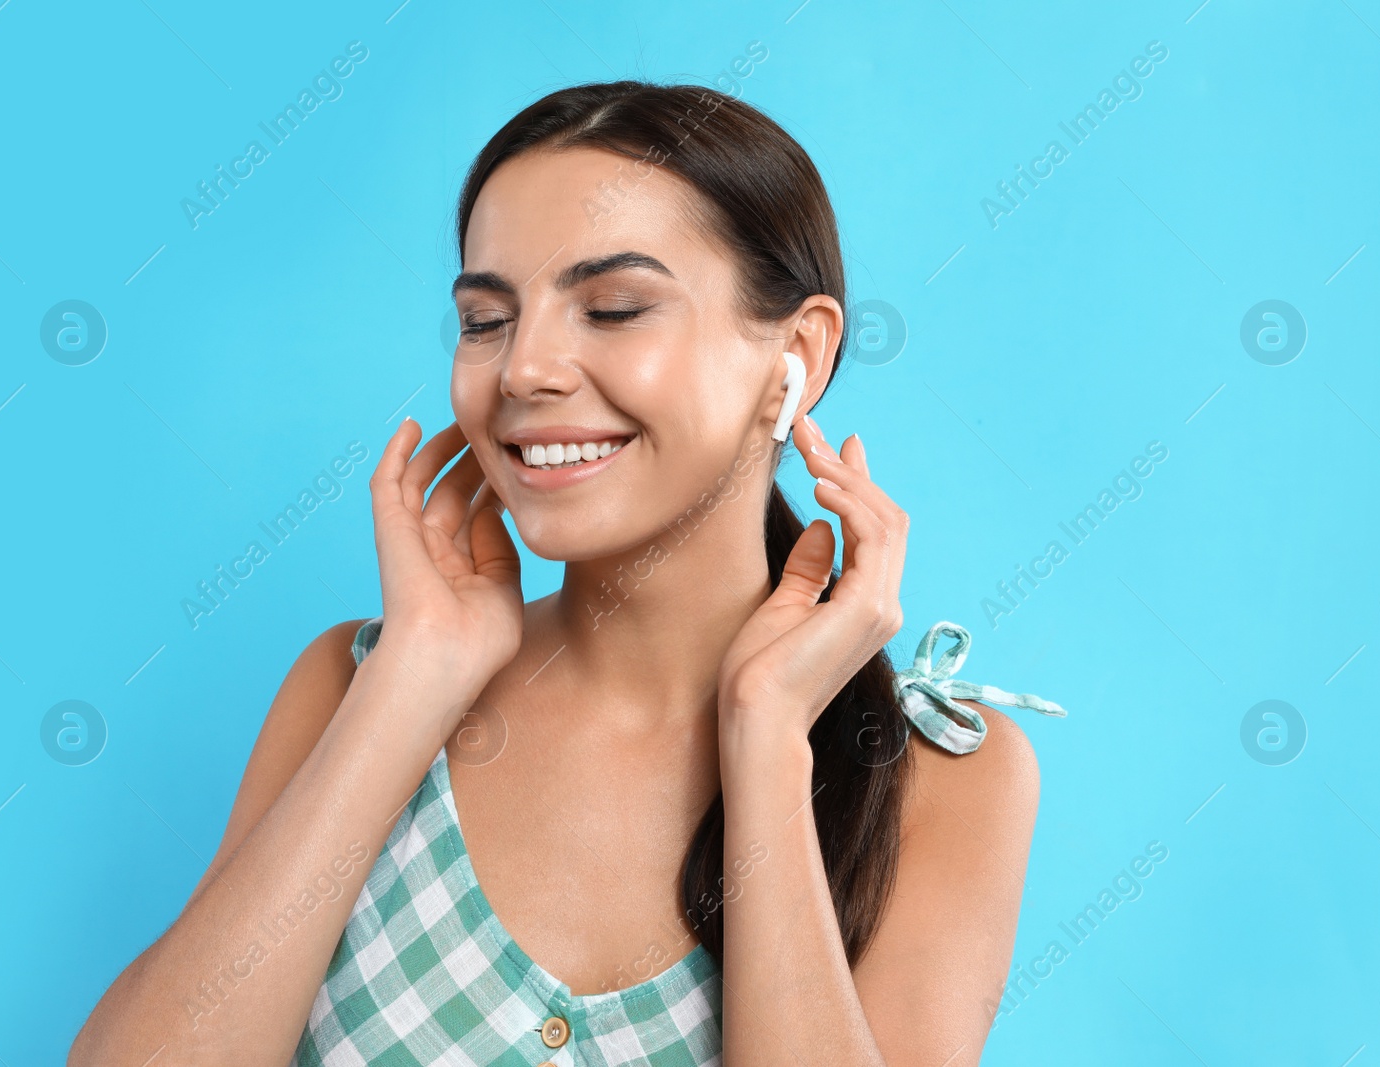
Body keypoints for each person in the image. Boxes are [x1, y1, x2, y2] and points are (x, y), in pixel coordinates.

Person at [70, 79, 1063, 1067]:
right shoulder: (352, 684)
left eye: (615, 308)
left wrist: (763, 736)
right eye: (486, 320)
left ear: (794, 355)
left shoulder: (938, 775)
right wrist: (416, 677)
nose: (523, 371)